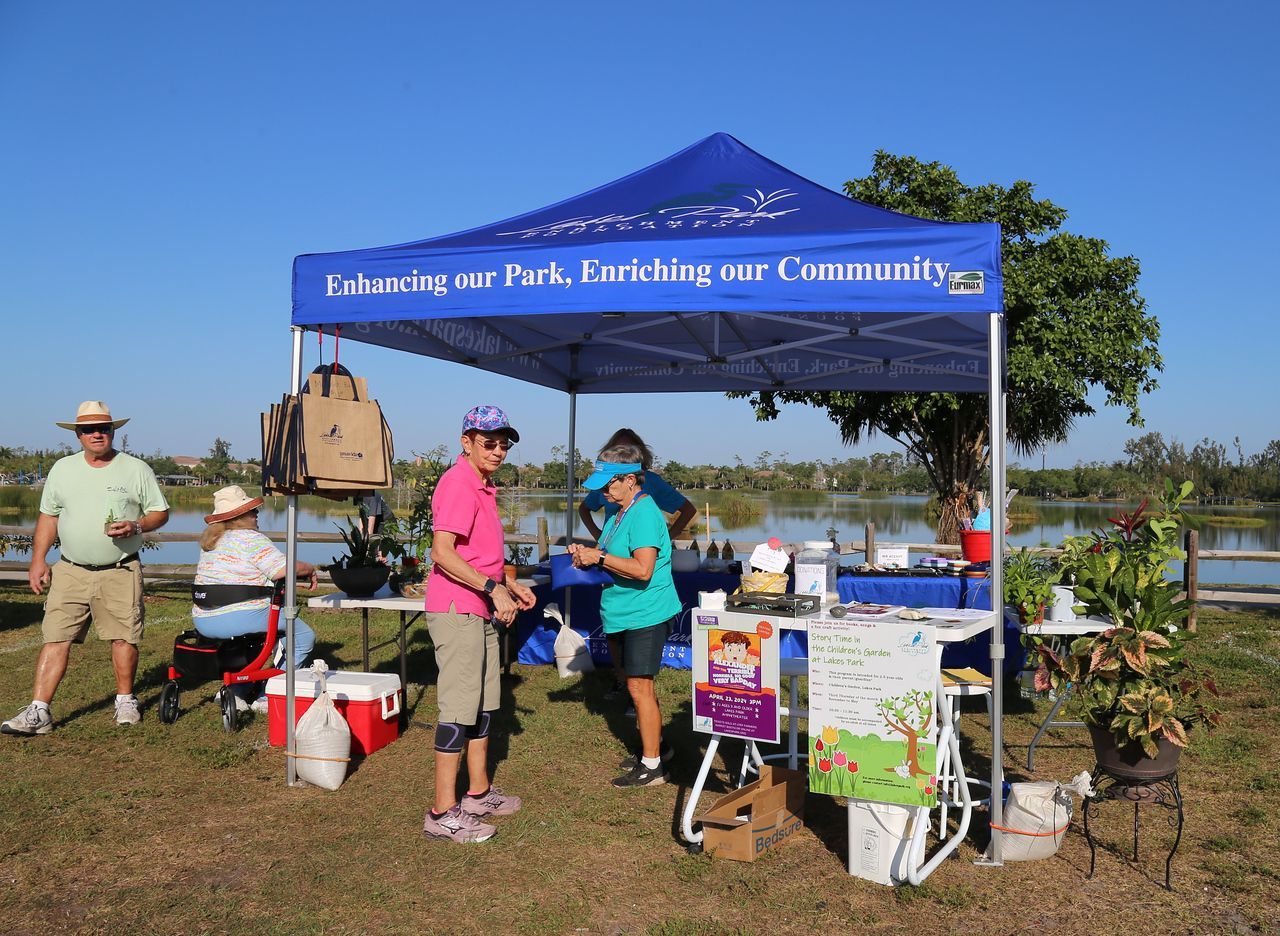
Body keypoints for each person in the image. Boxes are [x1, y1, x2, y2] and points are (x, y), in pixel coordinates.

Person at [2, 401, 169, 736]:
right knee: (55, 638)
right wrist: (38, 561)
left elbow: (159, 513)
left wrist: (136, 526)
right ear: (77, 435)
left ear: (113, 432)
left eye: (103, 428)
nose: (97, 434)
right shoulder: (62, 470)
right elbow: (48, 517)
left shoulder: (136, 469)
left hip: (120, 570)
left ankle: (125, 701)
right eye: (89, 429)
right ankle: (39, 712)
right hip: (70, 569)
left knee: (123, 638)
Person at [421, 405, 536, 844]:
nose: (499, 450)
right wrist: (493, 588)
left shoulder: (484, 487)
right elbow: (442, 553)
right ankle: (442, 813)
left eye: (504, 443)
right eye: (489, 442)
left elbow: (483, 553)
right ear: (466, 442)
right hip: (457, 609)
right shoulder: (457, 484)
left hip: (481, 607)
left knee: (485, 706)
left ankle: (477, 793)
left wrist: (511, 583)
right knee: (457, 710)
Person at [568, 443, 682, 787]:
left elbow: (643, 569)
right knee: (636, 685)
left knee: (638, 687)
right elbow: (609, 550)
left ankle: (653, 768)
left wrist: (599, 559)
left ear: (631, 480)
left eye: (608, 484)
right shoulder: (620, 511)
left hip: (645, 612)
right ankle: (658, 746)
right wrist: (586, 552)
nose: (603, 492)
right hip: (622, 611)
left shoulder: (645, 513)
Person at [577, 428, 695, 703]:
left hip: (639, 575)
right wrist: (598, 544)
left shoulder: (647, 494)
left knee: (640, 668)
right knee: (616, 630)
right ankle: (623, 681)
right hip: (614, 568)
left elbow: (685, 510)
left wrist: (668, 536)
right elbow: (585, 507)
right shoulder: (609, 488)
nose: (605, 490)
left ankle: (638, 695)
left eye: (627, 452)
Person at [192, 485, 319, 712]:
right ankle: (269, 695)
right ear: (240, 516)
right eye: (252, 511)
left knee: (256, 641)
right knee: (303, 636)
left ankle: (236, 691)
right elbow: (282, 569)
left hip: (203, 618)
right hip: (242, 617)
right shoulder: (251, 539)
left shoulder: (211, 542)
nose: (257, 514)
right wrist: (309, 568)